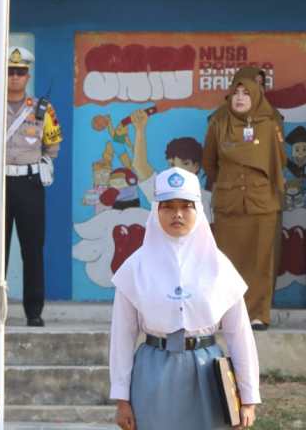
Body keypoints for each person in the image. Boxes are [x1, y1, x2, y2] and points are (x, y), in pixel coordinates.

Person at [109, 167, 259, 430]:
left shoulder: (219, 266)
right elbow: (122, 336)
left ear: (198, 211)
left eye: (185, 206)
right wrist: (122, 398)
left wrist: (247, 398)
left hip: (207, 373)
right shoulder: (136, 267)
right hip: (153, 372)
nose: (177, 214)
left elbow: (240, 334)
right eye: (168, 206)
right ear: (156, 211)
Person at [0, 46, 62, 327]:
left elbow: (53, 144)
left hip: (30, 184)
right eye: (10, 71)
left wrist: (38, 164)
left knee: (32, 248)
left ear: (27, 75)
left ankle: (34, 311)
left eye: (20, 72)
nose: (15, 77)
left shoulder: (43, 109)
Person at [203, 76, 285, 332]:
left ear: (256, 97)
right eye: (236, 92)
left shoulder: (269, 125)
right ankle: (226, 314)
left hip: (261, 202)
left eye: (246, 93)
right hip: (229, 202)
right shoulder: (218, 123)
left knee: (260, 260)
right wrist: (228, 182)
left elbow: (278, 161)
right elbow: (209, 162)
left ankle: (258, 314)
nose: (239, 98)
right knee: (226, 261)